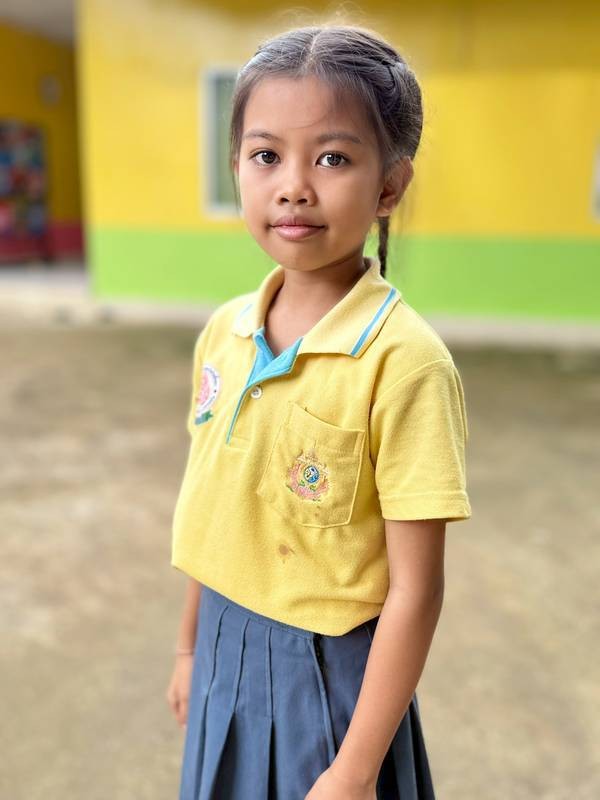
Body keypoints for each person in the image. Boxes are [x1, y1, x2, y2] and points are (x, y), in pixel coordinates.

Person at [166, 23, 472, 800]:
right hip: (222, 650)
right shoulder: (225, 332)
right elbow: (215, 509)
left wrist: (356, 770)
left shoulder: (404, 364)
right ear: (237, 166)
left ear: (389, 187)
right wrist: (190, 650)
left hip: (331, 687)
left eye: (332, 158)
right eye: (266, 155)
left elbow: (416, 591)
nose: (293, 186)